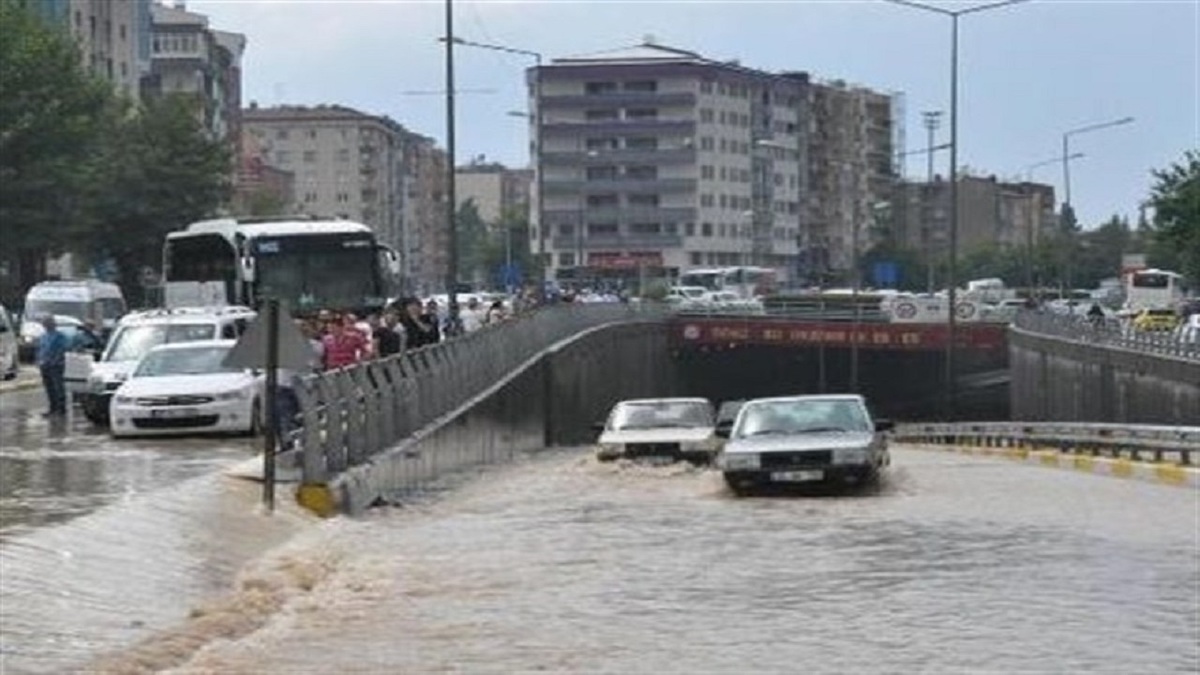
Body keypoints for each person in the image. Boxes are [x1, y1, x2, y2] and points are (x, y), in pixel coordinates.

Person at [36, 316, 69, 417]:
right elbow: (40, 349)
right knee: (49, 387)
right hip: (44, 365)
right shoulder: (43, 336)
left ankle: (61, 408)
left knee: (58, 386)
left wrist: (55, 360)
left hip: (56, 365)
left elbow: (62, 349)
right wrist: (39, 361)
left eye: (47, 323)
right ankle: (52, 408)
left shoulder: (60, 336)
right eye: (44, 323)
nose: (45, 325)